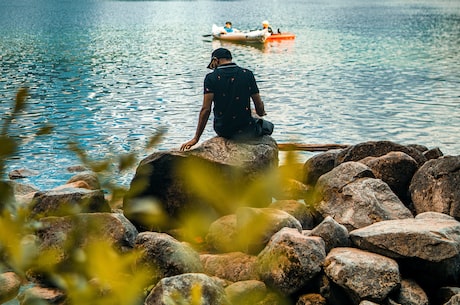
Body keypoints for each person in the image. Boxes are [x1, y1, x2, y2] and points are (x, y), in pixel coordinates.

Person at [180, 48, 273, 151]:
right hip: (247, 130)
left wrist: (196, 138)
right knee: (268, 126)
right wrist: (262, 111)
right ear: (230, 59)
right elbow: (259, 108)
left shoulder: (211, 78)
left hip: (223, 130)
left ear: (215, 60)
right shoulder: (247, 74)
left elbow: (205, 110)